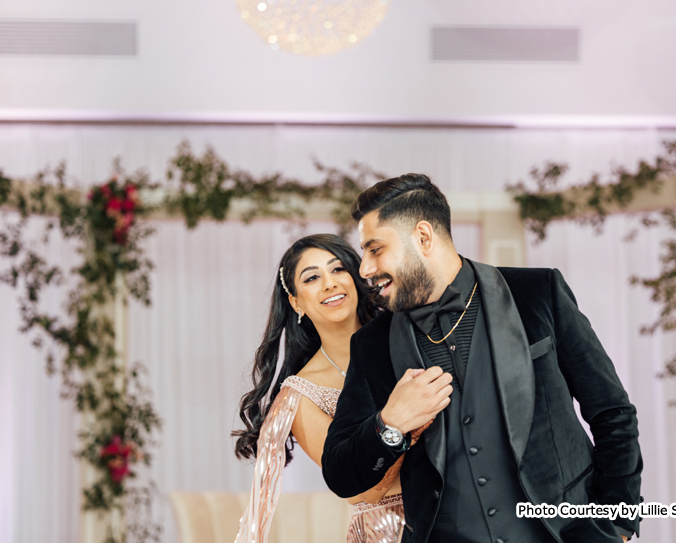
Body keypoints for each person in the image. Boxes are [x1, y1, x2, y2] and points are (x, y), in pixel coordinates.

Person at [321, 175, 643, 543]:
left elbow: (612, 412)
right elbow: (339, 473)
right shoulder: (373, 345)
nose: (364, 269)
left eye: (375, 249)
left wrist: (617, 526)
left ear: (423, 237)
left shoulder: (537, 294)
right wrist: (390, 422)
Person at [233, 234, 424, 543]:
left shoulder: (408, 332)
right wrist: (407, 425)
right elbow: (364, 490)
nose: (330, 284)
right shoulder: (300, 395)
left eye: (337, 270)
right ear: (296, 302)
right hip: (387, 532)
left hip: (459, 511)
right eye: (312, 278)